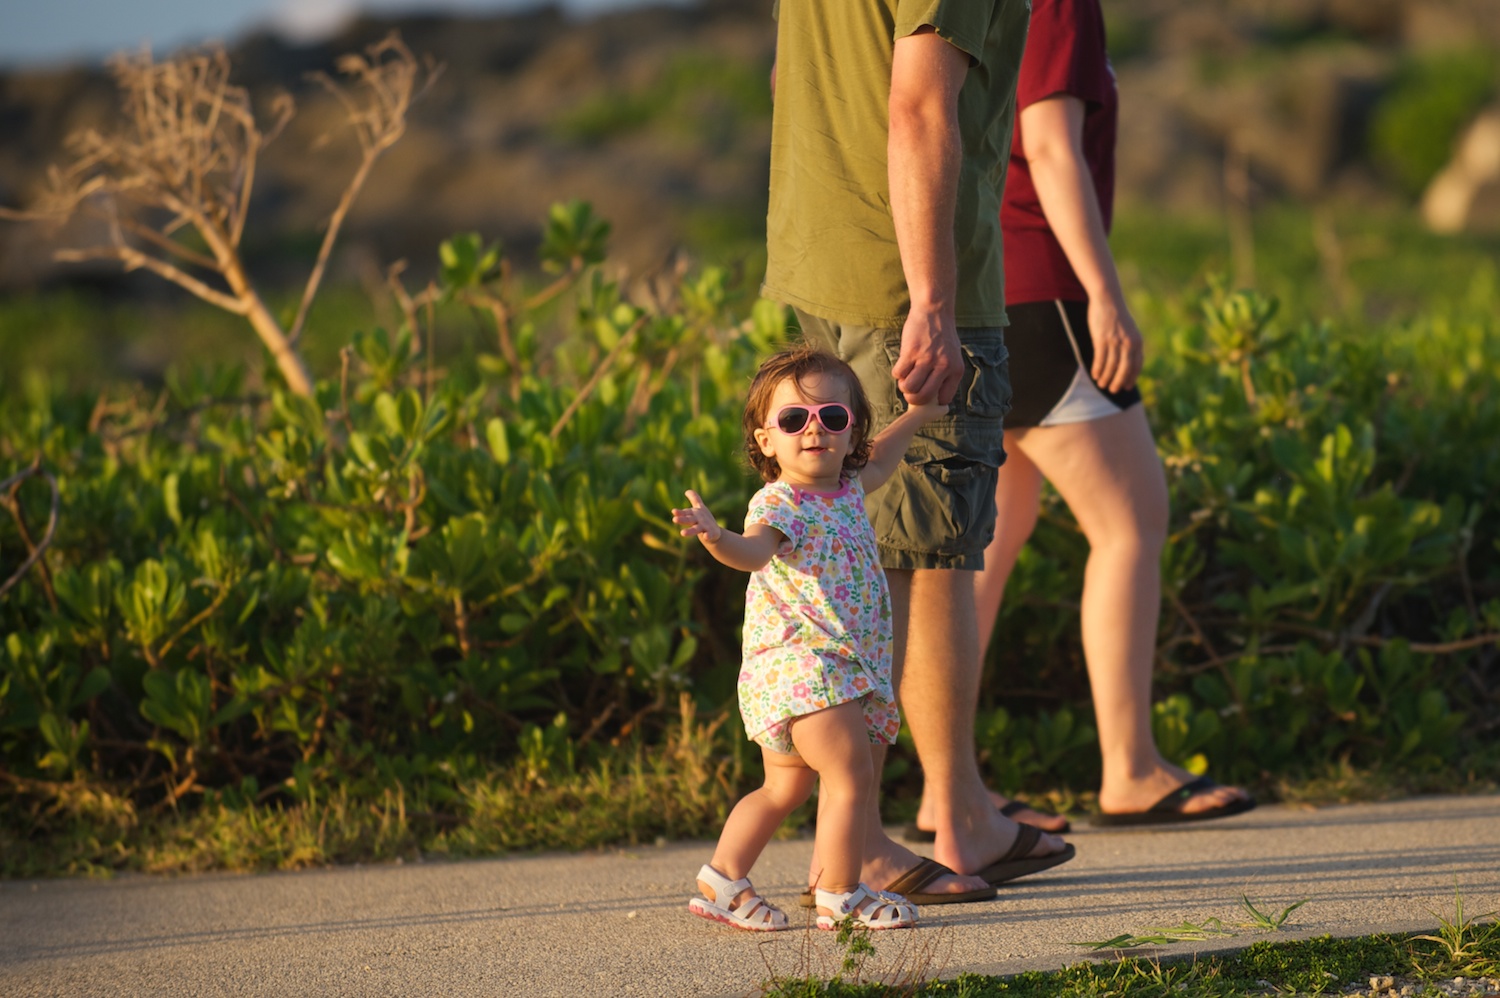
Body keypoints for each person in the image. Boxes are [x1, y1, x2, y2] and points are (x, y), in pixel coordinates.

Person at [904, 0, 1254, 839]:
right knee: (1131, 519)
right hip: (1042, 286)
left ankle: (946, 790)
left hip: (988, 283)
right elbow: (1051, 146)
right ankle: (1129, 767)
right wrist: (1104, 294)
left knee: (994, 536)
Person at [764, 0, 1075, 902]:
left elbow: (792, 81)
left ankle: (959, 808)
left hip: (826, 248)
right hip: (901, 274)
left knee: (901, 549)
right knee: (912, 559)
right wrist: (933, 301)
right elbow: (921, 107)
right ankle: (858, 843)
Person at [674, 348, 951, 932]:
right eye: (794, 420)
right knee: (851, 775)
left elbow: (886, 458)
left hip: (797, 671)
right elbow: (751, 554)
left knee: (786, 786)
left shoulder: (848, 487)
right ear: (766, 440)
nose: (815, 430)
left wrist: (920, 414)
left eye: (833, 417)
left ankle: (724, 878)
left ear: (852, 435)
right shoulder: (780, 503)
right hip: (809, 665)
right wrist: (716, 536)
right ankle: (842, 895)